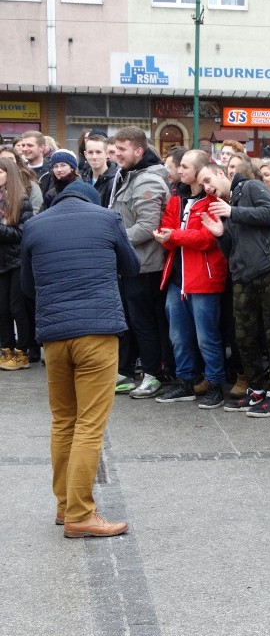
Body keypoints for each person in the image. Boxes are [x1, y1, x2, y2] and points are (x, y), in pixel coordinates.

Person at [21, 181, 140, 537]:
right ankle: (80, 515)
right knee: (89, 424)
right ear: (91, 198)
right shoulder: (107, 218)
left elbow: (28, 285)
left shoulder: (35, 225)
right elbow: (132, 267)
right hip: (97, 332)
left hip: (55, 337)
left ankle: (64, 506)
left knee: (63, 421)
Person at [197, 161, 270, 417]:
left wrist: (233, 213)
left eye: (208, 180)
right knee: (244, 337)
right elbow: (232, 250)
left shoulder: (250, 187)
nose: (206, 188)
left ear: (221, 173)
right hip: (244, 275)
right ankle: (257, 390)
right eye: (202, 185)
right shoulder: (226, 206)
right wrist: (220, 234)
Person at [154, 150, 228, 409]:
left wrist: (173, 235)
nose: (179, 170)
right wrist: (173, 234)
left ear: (199, 171)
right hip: (177, 278)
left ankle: (215, 383)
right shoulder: (176, 199)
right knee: (178, 335)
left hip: (203, 279)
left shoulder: (212, 200)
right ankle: (185, 380)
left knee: (206, 336)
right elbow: (168, 227)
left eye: (185, 166)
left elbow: (206, 239)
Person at [109, 126, 172, 399]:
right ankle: (131, 370)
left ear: (138, 150)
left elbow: (147, 227)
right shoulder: (129, 175)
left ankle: (152, 375)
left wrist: (113, 241)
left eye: (121, 149)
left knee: (145, 323)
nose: (116, 154)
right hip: (132, 263)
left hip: (146, 266)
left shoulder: (147, 181)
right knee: (134, 322)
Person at [0, 158, 35, 370]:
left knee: (17, 308)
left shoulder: (21, 200)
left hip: (16, 261)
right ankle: (6, 349)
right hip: (1, 262)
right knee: (1, 309)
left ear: (9, 174)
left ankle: (23, 351)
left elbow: (23, 233)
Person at [81, 134, 118, 208]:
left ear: (107, 154)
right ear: (85, 154)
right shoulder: (81, 179)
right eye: (90, 152)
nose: (94, 157)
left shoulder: (116, 181)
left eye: (98, 152)